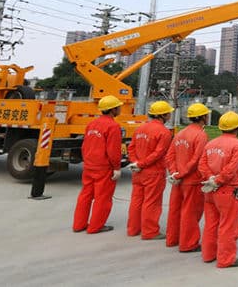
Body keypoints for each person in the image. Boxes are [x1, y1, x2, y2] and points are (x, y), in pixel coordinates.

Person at [198, 111, 238, 268]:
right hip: (228, 190)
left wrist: (211, 179)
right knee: (228, 225)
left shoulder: (211, 143)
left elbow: (202, 165)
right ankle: (226, 259)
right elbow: (231, 169)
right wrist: (218, 180)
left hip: (211, 190)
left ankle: (208, 254)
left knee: (211, 223)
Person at [73, 95, 124, 234]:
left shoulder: (92, 124)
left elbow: (84, 146)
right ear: (113, 109)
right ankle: (96, 226)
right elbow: (113, 150)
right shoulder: (113, 126)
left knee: (85, 196)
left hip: (89, 165)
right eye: (118, 107)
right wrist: (117, 168)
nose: (120, 108)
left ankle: (79, 225)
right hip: (104, 167)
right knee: (103, 198)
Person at [164, 102, 210, 253]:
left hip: (177, 180)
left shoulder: (180, 133)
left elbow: (169, 156)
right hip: (192, 181)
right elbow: (196, 159)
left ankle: (173, 239)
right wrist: (182, 173)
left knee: (175, 210)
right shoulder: (201, 135)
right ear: (203, 117)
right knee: (190, 212)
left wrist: (174, 172)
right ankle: (188, 243)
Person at [126, 100, 174, 239]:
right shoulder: (164, 132)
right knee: (151, 202)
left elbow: (131, 147)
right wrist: (142, 164)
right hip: (153, 172)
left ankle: (133, 229)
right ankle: (149, 231)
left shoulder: (140, 128)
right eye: (168, 114)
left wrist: (136, 163)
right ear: (163, 115)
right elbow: (158, 153)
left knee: (136, 200)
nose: (170, 116)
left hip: (138, 172)